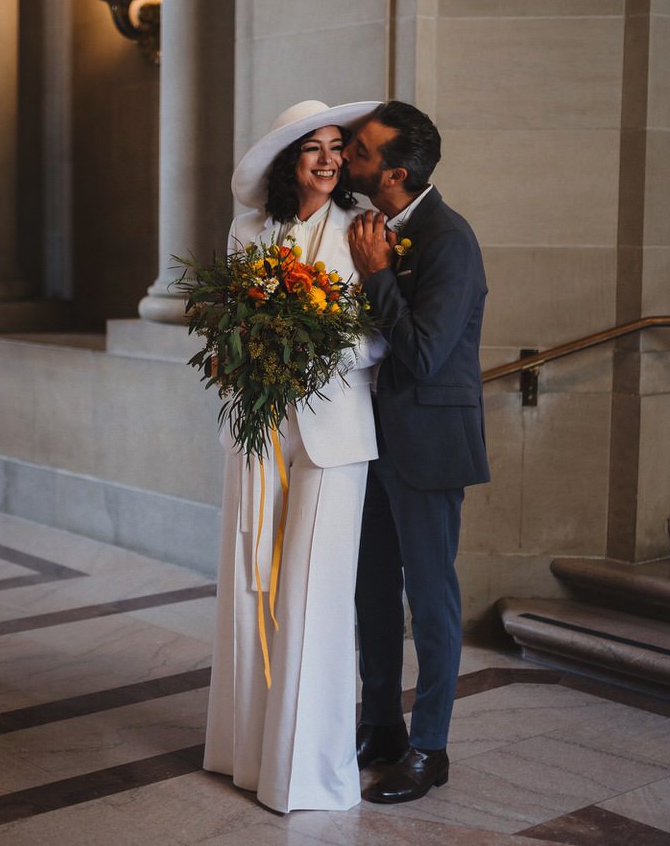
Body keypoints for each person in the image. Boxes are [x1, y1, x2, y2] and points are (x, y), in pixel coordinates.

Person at [203, 99, 390, 813]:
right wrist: (239, 352)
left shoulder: (363, 230)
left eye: (337, 146)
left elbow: (379, 337)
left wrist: (313, 346)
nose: (327, 158)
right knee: (250, 588)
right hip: (258, 430)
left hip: (334, 435)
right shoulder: (250, 229)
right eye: (311, 147)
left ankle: (305, 770)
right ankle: (243, 752)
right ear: (290, 160)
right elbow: (227, 324)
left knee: (314, 594)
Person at [342, 101, 489, 804]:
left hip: (429, 445)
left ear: (395, 173)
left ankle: (430, 747)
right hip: (372, 442)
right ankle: (382, 726)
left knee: (430, 600)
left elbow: (428, 355)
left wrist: (375, 275)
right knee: (372, 591)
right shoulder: (370, 226)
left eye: (361, 151)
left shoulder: (449, 238)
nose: (346, 156)